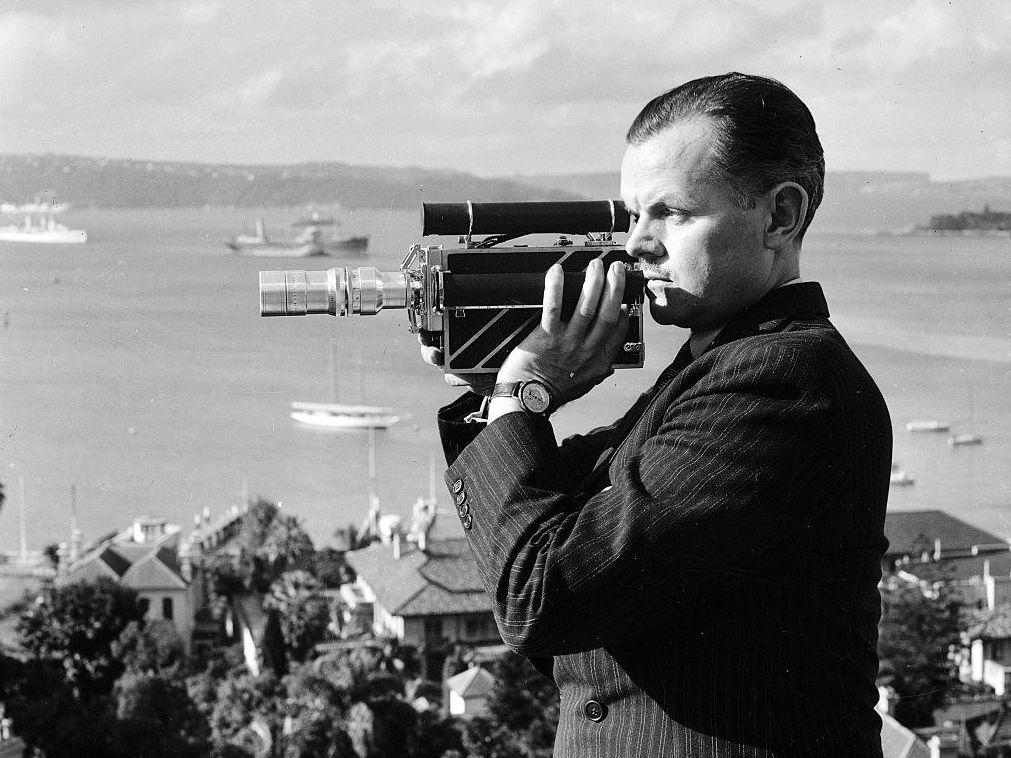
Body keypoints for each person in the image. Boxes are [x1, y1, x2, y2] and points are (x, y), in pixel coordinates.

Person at [425, 72, 892, 757]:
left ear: (779, 216)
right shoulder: (717, 367)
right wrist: (499, 387)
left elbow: (545, 596)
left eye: (670, 213)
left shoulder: (780, 379)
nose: (635, 244)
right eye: (632, 215)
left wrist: (522, 391)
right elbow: (534, 536)